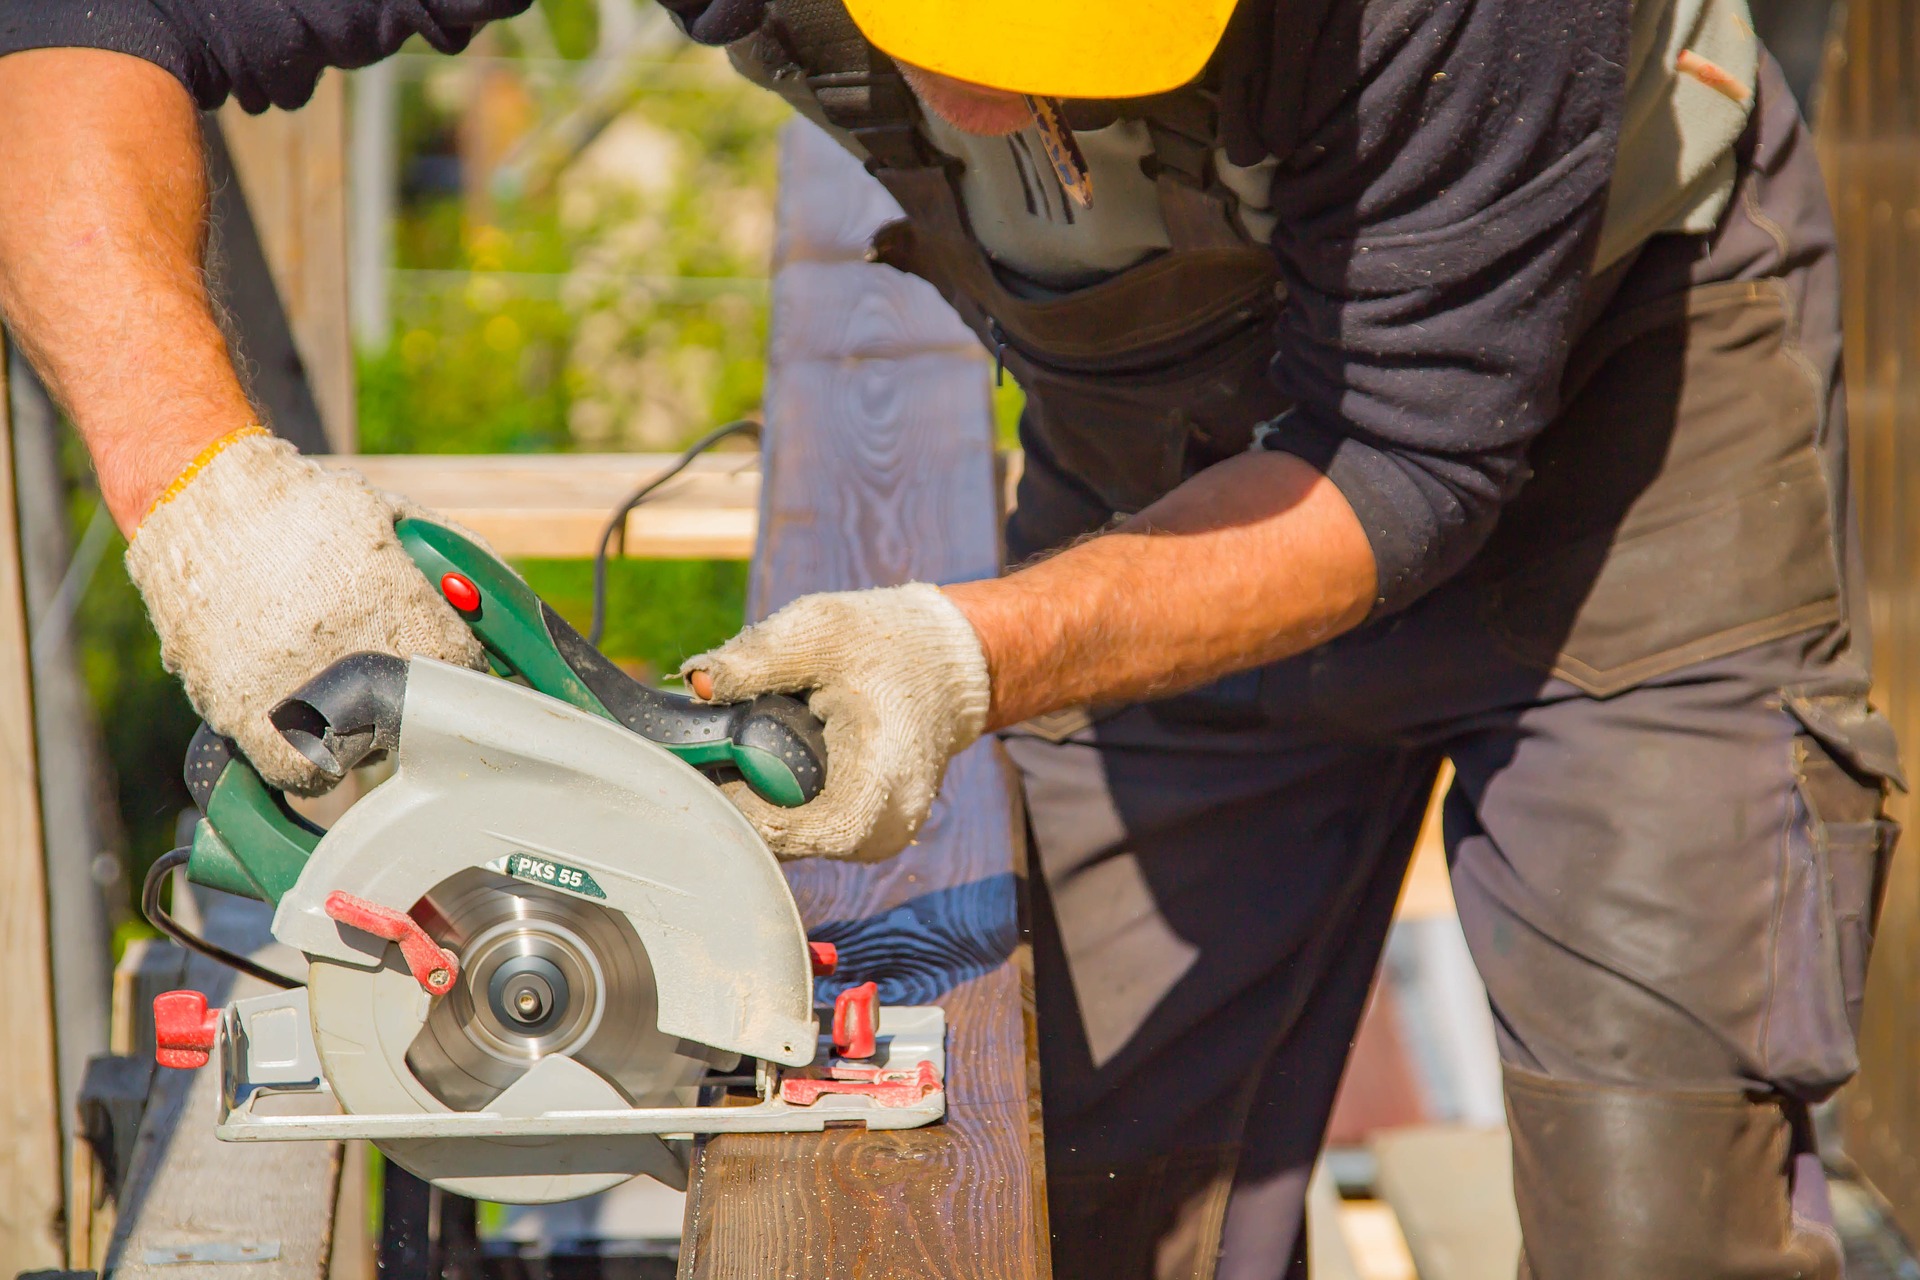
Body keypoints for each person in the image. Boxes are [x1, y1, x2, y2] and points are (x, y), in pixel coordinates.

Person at [0, 0, 1898, 1275]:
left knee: (1670, 1215)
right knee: (1057, 1185)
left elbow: (1407, 462)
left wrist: (966, 655)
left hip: (1626, 421)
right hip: (1167, 463)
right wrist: (210, 514)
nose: (1063, 101)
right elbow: (71, 37)